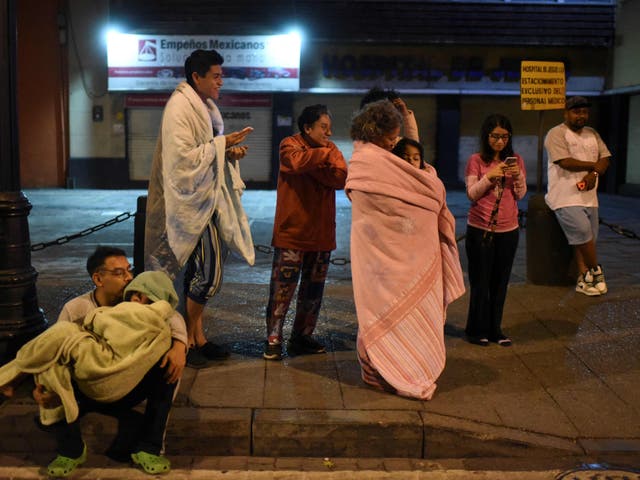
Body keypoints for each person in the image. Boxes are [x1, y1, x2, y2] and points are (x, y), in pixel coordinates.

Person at [0, 269, 181, 477]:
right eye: (120, 273)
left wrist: (179, 346)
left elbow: (171, 317)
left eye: (128, 275)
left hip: (124, 384)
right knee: (55, 359)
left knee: (170, 366)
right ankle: (71, 450)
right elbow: (59, 348)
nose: (127, 278)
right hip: (89, 383)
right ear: (99, 279)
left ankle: (150, 447)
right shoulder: (79, 307)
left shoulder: (157, 318)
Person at [345, 100, 465, 400]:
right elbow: (427, 188)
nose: (394, 141)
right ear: (378, 132)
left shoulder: (372, 158)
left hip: (393, 258)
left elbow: (418, 175)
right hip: (381, 252)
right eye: (392, 136)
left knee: (378, 311)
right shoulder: (372, 160)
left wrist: (410, 124)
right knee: (378, 312)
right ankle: (381, 369)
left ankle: (379, 369)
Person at [145, 49, 256, 368]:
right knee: (209, 274)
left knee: (197, 271)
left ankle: (195, 338)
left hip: (204, 197)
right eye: (217, 76)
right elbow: (181, 159)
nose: (222, 81)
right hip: (188, 203)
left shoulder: (204, 107)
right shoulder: (180, 106)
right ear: (197, 77)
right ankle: (186, 337)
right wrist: (222, 145)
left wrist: (228, 152)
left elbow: (202, 153)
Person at [263, 104, 348, 361]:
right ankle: (273, 337)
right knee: (282, 290)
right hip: (292, 233)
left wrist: (319, 160)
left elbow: (340, 177)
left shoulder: (328, 149)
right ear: (307, 127)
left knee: (313, 293)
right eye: (324, 127)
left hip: (322, 235)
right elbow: (296, 163)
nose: (329, 133)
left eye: (329, 128)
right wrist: (324, 158)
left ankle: (302, 336)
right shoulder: (289, 144)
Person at [464, 114, 527, 347]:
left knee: (500, 283)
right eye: (495, 136)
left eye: (504, 136)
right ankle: (475, 329)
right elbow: (472, 193)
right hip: (480, 229)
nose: (500, 141)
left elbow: (520, 194)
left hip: (509, 230)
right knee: (480, 282)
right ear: (486, 136)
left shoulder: (517, 159)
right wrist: (490, 176)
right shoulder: (476, 160)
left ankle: (495, 330)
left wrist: (517, 175)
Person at [544, 96, 611, 296]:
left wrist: (595, 174)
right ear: (566, 113)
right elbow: (564, 161)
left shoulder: (592, 133)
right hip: (565, 196)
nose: (581, 116)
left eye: (584, 112)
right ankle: (596, 272)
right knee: (582, 233)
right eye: (576, 112)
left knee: (587, 239)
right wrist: (594, 166)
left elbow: (605, 157)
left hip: (590, 197)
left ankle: (584, 279)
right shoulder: (556, 133)